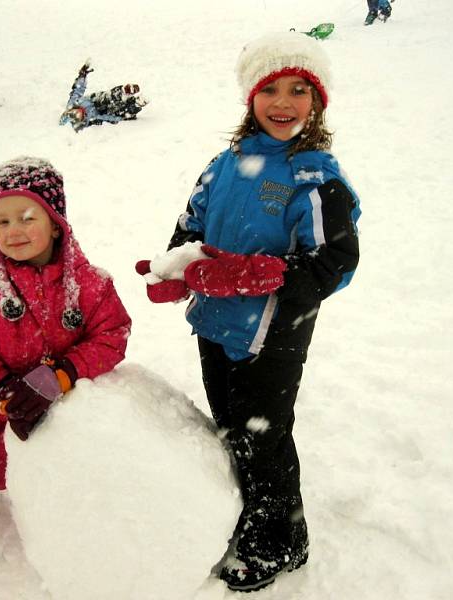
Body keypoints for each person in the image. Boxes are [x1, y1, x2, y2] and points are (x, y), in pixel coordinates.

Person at [135, 32, 360, 592]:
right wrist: (175, 267)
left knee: (265, 434)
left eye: (299, 90)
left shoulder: (316, 178)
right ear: (249, 97)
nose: (283, 103)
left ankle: (282, 539)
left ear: (318, 102)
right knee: (232, 426)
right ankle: (245, 508)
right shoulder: (225, 164)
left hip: (273, 330)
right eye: (271, 90)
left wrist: (261, 274)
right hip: (214, 323)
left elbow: (336, 260)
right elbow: (191, 223)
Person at [0, 157, 132, 572]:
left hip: (49, 392)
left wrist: (61, 374)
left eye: (26, 217)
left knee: (18, 456)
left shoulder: (89, 285)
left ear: (55, 224)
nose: (13, 232)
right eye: (3, 222)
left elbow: (112, 335)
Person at [59, 61, 148, 132]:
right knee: (115, 111)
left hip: (95, 100)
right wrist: (122, 117)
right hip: (103, 111)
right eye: (77, 116)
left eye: (73, 112)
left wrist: (82, 75)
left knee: (104, 100)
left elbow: (77, 90)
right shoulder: (90, 118)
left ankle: (123, 92)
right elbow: (105, 118)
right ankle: (135, 104)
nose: (78, 112)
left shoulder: (73, 103)